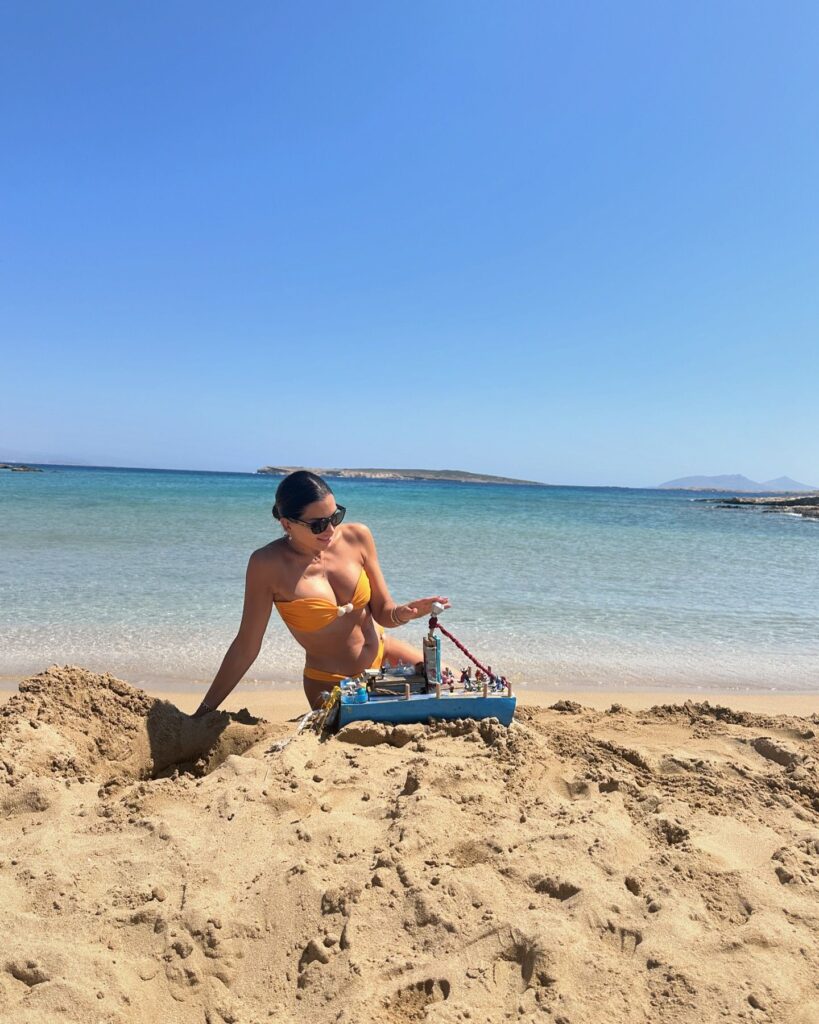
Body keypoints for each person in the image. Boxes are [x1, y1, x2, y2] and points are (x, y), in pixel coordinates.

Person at [193, 470, 449, 715]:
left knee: (457, 685)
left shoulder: (357, 537)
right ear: (287, 524)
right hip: (330, 684)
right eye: (318, 525)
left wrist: (406, 613)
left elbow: (384, 613)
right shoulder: (267, 565)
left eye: (335, 517)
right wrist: (204, 711)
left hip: (386, 659)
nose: (330, 530)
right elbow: (246, 646)